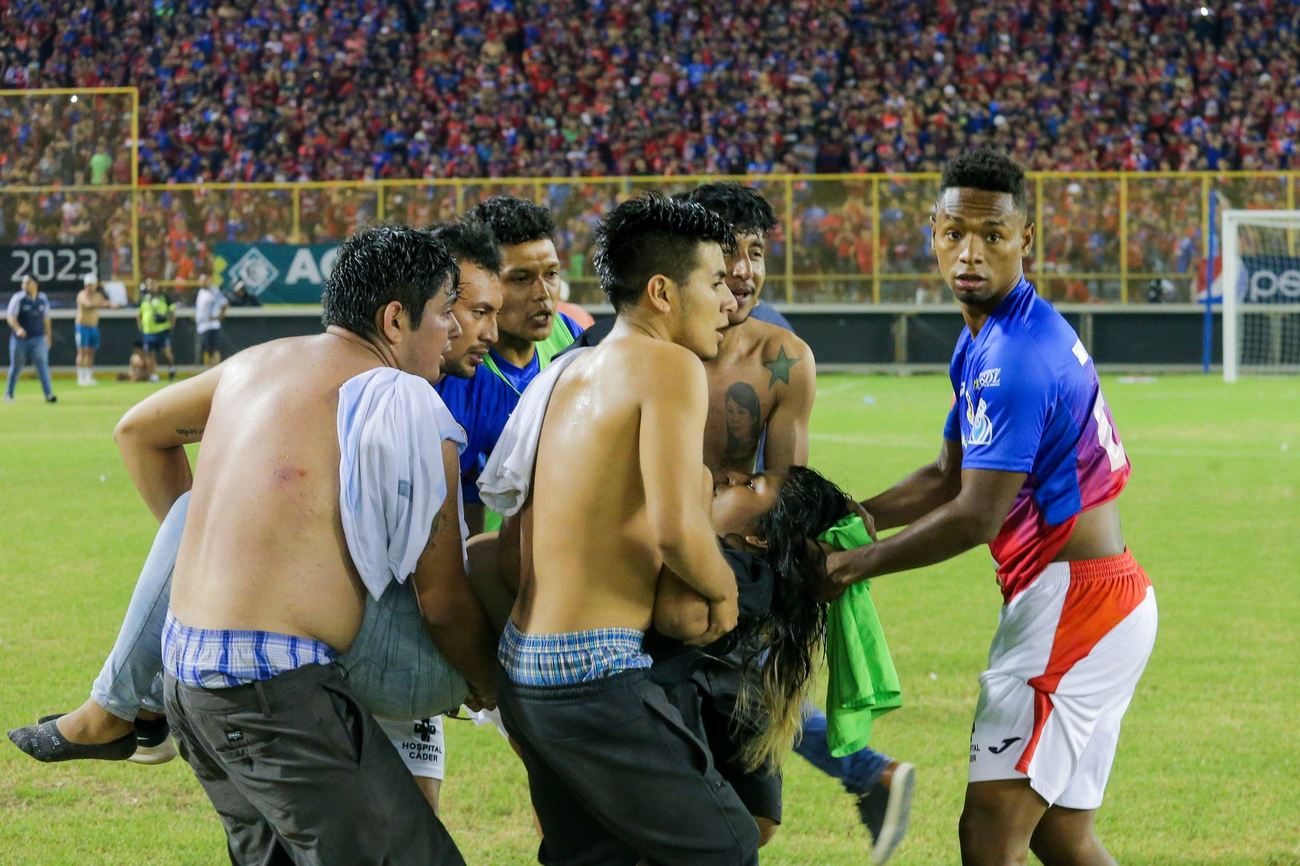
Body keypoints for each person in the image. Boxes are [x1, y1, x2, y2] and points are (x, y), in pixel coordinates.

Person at [823, 148, 1157, 866]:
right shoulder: (984, 341)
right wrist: (855, 515)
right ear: (934, 232)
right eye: (955, 234)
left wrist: (852, 565)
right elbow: (947, 475)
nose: (970, 253)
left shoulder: (1014, 359)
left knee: (988, 838)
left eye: (993, 236)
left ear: (1025, 240)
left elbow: (975, 515)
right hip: (1095, 599)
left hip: (1075, 604)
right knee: (1062, 837)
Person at [137, 226, 491, 864]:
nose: (455, 332)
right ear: (394, 319)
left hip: (188, 678)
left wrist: (219, 553)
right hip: (275, 692)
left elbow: (138, 431)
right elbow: (440, 598)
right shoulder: (405, 399)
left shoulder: (254, 363)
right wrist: (489, 682)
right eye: (444, 313)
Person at [484, 193, 757, 865]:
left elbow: (515, 547)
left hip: (525, 669)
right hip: (591, 674)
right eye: (716, 281)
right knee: (726, 846)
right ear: (663, 292)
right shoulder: (668, 366)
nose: (729, 299)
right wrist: (726, 596)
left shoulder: (569, 369)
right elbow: (673, 530)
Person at [675, 182, 913, 861]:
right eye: (729, 252)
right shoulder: (646, 355)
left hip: (740, 594)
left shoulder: (784, 360)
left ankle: (868, 770)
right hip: (649, 587)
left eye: (756, 252)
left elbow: (787, 497)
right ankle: (869, 772)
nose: (745, 270)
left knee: (757, 819)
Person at [436, 195, 584, 534]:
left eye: (551, 274)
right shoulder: (455, 375)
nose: (543, 293)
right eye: (520, 278)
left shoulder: (569, 336)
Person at [5, 275, 56, 403]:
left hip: (38, 338)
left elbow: (46, 319)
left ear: (36, 283)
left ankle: (49, 395)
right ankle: (9, 394)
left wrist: (48, 336)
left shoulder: (42, 299)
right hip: (20, 340)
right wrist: (18, 329)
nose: (25, 285)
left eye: (28, 282)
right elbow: (11, 316)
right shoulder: (19, 298)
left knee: (43, 366)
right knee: (16, 367)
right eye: (23, 283)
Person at [75, 274, 117, 386]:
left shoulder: (98, 295)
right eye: (88, 285)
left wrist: (110, 304)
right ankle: (81, 376)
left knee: (91, 352)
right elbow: (88, 305)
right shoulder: (81, 295)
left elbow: (108, 303)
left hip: (93, 327)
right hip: (82, 326)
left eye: (92, 285)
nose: (90, 287)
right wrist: (103, 304)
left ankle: (88, 375)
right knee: (82, 351)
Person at [136, 278, 176, 381]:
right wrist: (141, 327)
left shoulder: (164, 297)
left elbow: (172, 312)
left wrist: (171, 325)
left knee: (167, 352)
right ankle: (153, 375)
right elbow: (138, 314)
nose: (150, 286)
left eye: (152, 283)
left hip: (163, 329)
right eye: (148, 284)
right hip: (148, 331)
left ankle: (171, 369)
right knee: (150, 354)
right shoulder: (143, 298)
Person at [194, 273, 228, 368]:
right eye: (201, 280)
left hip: (211, 325)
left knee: (213, 349)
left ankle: (216, 369)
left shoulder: (214, 291)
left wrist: (219, 317)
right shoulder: (201, 291)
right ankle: (210, 368)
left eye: (204, 280)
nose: (202, 282)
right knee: (207, 349)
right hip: (202, 326)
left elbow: (224, 303)